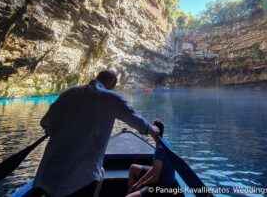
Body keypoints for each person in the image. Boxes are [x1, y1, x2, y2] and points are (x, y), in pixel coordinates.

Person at [31, 69, 160, 197]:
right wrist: (153, 130)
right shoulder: (111, 98)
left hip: (46, 177)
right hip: (78, 180)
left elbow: (45, 123)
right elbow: (135, 119)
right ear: (113, 82)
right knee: (97, 174)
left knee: (101, 172)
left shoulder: (68, 93)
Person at [126, 120, 175, 197]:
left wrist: (141, 184)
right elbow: (154, 169)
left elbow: (155, 178)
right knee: (133, 168)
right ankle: (131, 192)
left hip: (162, 186)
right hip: (161, 178)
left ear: (155, 132)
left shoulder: (160, 149)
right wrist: (139, 182)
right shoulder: (163, 142)